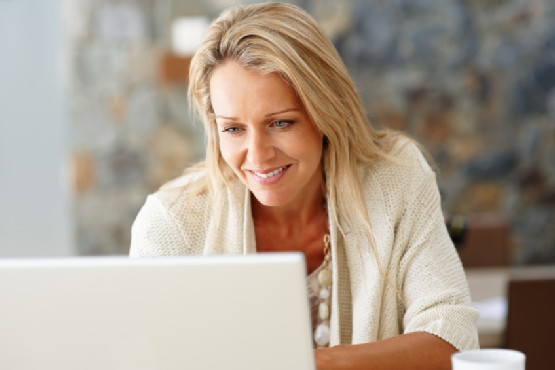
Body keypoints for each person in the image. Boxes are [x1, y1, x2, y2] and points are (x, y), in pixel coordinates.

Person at [130, 3, 479, 369]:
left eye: (281, 123)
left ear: (325, 111)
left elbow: (452, 338)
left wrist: (319, 364)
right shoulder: (171, 225)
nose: (259, 155)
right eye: (233, 128)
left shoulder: (397, 180)